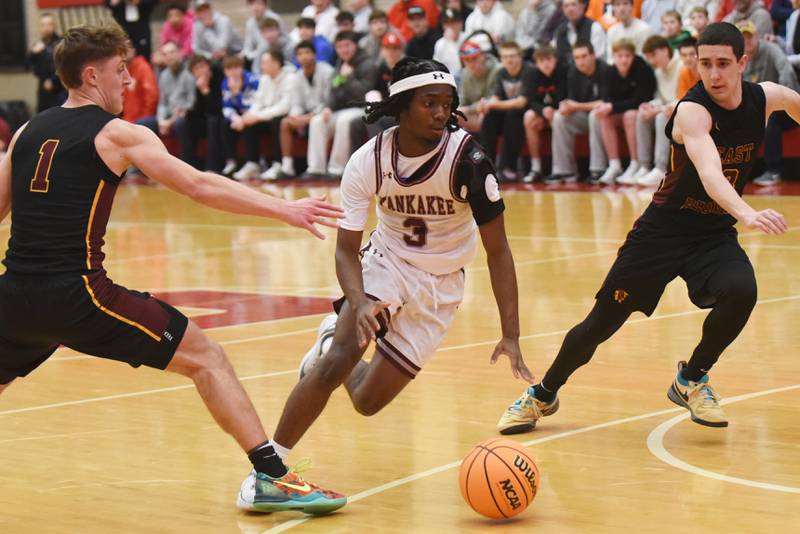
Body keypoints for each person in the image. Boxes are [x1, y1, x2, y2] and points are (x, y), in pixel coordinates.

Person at [0, 23, 346, 514]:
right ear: (91, 76)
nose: (130, 82)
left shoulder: (26, 132)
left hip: (12, 297)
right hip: (80, 296)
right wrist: (284, 209)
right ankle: (272, 477)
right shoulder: (117, 133)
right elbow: (198, 186)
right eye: (121, 72)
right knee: (207, 358)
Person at [497, 22, 797, 436]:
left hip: (712, 235)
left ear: (742, 62)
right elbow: (710, 173)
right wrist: (747, 213)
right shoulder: (692, 111)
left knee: (743, 290)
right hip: (661, 233)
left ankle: (692, 378)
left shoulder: (767, 98)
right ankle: (542, 394)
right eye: (704, 63)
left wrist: (736, 216)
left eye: (723, 64)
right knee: (599, 325)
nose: (713, 74)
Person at [269, 57, 533, 464]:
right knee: (339, 361)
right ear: (403, 104)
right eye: (430, 103)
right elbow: (344, 250)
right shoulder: (367, 161)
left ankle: (324, 342)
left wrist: (511, 333)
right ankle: (270, 466)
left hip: (442, 283)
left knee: (367, 401)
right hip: (387, 263)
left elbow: (499, 252)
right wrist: (358, 303)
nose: (442, 112)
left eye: (447, 103)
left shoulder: (470, 162)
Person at [302, 31, 377, 180]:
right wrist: (328, 107)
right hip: (341, 109)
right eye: (340, 47)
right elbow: (333, 90)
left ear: (355, 46)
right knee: (317, 121)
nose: (344, 50)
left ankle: (338, 169)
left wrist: (348, 78)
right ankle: (315, 168)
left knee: (344, 121)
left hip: (363, 108)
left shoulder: (368, 64)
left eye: (347, 45)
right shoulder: (339, 64)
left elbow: (363, 94)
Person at [737, 20, 800, 186]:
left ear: (756, 36)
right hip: (756, 109)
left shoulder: (771, 50)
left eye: (749, 37)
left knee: (771, 116)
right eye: (742, 38)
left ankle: (773, 171)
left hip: (787, 106)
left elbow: (786, 72)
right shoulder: (738, 60)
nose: (747, 41)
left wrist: (782, 97)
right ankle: (736, 169)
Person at [265, 41, 334, 180]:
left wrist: (308, 117)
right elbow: (296, 103)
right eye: (300, 54)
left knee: (316, 120)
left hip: (325, 113)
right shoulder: (298, 76)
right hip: (306, 116)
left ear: (314, 55)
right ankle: (287, 167)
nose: (304, 57)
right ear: (296, 58)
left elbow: (329, 101)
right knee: (285, 122)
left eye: (307, 52)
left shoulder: (327, 71)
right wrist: (295, 117)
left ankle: (318, 168)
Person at [547, 39, 611, 184]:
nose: (580, 61)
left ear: (593, 55)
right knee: (559, 117)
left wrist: (576, 106)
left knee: (596, 115)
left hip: (604, 117)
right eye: (577, 58)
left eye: (584, 56)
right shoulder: (573, 72)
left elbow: (605, 102)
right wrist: (565, 107)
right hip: (583, 117)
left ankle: (598, 169)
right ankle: (564, 170)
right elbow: (572, 102)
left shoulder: (605, 70)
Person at [595, 38, 656, 184]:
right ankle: (614, 164)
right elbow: (606, 97)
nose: (623, 60)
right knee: (603, 116)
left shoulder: (643, 70)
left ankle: (635, 163)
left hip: (638, 112)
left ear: (633, 56)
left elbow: (639, 100)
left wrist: (613, 106)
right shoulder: (609, 72)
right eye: (620, 56)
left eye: (627, 56)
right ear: (614, 57)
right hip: (621, 111)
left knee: (629, 115)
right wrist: (609, 107)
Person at [627, 34, 682, 186]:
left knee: (661, 117)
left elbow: (681, 99)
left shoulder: (682, 64)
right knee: (642, 115)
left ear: (665, 50)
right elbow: (660, 97)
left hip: (681, 112)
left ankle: (660, 168)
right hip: (667, 109)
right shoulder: (658, 70)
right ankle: (644, 166)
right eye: (648, 57)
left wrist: (658, 109)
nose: (651, 61)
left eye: (653, 55)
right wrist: (650, 105)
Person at [232, 50, 295, 181]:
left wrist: (258, 116)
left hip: (289, 119)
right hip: (268, 116)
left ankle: (279, 164)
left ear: (277, 63)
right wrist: (248, 116)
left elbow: (284, 107)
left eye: (265, 62)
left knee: (277, 121)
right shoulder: (265, 79)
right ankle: (253, 163)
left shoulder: (291, 78)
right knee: (250, 123)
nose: (262, 66)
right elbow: (258, 102)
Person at [479, 40, 536, 182]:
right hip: (510, 110)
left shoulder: (529, 71)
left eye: (512, 56)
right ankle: (488, 165)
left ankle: (509, 168)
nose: (509, 60)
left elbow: (521, 102)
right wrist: (486, 105)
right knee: (488, 117)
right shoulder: (501, 73)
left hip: (530, 111)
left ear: (520, 56)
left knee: (513, 115)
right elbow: (496, 96)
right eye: (505, 57)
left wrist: (494, 104)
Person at [523, 45, 568, 183]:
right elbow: (529, 100)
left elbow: (566, 96)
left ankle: (558, 168)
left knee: (557, 118)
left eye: (549, 59)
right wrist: (542, 110)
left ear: (555, 60)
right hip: (542, 112)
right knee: (529, 117)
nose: (546, 64)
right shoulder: (531, 74)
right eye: (541, 61)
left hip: (559, 111)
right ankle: (536, 167)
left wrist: (553, 109)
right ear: (536, 63)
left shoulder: (563, 71)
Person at [220, 55, 260, 176]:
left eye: (236, 68)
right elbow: (226, 106)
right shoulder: (225, 82)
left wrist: (237, 93)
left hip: (254, 112)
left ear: (242, 68)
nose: (233, 72)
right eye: (229, 69)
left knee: (249, 122)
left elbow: (253, 104)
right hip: (239, 116)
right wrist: (235, 118)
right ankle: (231, 160)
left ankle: (252, 163)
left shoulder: (252, 80)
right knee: (224, 124)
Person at [456, 40, 502, 132]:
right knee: (452, 117)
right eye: (467, 60)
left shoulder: (497, 70)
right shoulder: (465, 73)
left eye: (474, 59)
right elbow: (463, 101)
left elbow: (491, 101)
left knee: (484, 117)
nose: (471, 64)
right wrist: (460, 109)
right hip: (475, 112)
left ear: (483, 56)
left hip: (495, 113)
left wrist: (468, 109)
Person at [28, 12, 67, 113]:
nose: (46, 28)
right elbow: (28, 66)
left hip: (60, 87)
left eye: (49, 24)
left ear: (54, 26)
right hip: (43, 89)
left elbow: (65, 65)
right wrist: (33, 53)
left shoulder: (61, 43)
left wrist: (53, 80)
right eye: (43, 25)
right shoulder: (38, 45)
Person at [121, 40, 158, 125]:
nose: (125, 52)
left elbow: (151, 96)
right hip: (127, 120)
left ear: (133, 50)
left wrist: (144, 119)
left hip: (141, 121)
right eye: (122, 50)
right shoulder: (124, 70)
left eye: (127, 49)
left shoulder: (143, 67)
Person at [243, 0, 286, 65]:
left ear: (265, 6)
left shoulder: (275, 18)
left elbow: (285, 39)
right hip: (258, 55)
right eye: (252, 4)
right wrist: (256, 54)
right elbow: (247, 47)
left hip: (277, 53)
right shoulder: (249, 23)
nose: (255, 7)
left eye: (258, 4)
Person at [434, 8, 466, 76]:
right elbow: (435, 68)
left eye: (453, 22)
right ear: (443, 26)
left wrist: (451, 43)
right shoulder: (439, 44)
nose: (450, 27)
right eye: (447, 23)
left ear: (461, 23)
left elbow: (459, 68)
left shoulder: (468, 39)